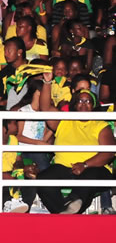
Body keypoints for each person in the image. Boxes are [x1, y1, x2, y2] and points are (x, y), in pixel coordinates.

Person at [36, 74, 115, 214]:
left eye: (88, 101)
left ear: (93, 105)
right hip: (64, 168)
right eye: (80, 101)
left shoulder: (101, 125)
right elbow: (45, 108)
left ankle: (73, 202)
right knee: (43, 179)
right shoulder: (64, 120)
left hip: (92, 169)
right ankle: (64, 212)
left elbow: (109, 153)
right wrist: (47, 83)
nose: (84, 104)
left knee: (90, 177)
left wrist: (85, 165)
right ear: (74, 104)